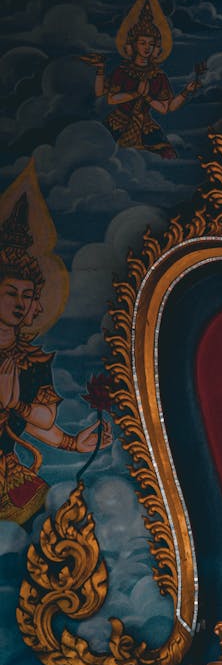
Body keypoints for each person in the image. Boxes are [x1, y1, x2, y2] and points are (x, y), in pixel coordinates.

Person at [0, 195, 109, 523]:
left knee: (50, 523)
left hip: (8, 475)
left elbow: (43, 419)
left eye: (28, 295)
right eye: (10, 293)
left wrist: (74, 443)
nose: (20, 303)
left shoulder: (31, 361)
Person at [100, 0, 199, 158]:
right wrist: (135, 94)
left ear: (156, 48)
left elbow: (166, 108)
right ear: (133, 45)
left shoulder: (158, 76)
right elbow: (111, 99)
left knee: (168, 155)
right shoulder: (123, 71)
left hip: (145, 125)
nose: (147, 47)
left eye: (151, 44)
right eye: (143, 43)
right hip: (118, 123)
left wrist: (186, 92)